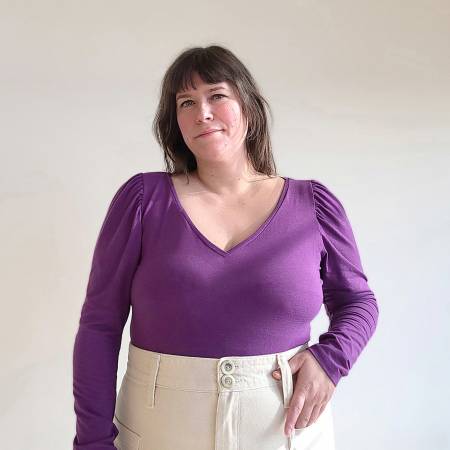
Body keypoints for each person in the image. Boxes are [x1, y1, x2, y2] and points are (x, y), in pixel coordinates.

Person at [72, 45, 379, 450]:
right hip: (158, 432)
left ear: (248, 107)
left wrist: (330, 360)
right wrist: (92, 442)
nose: (202, 113)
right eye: (186, 102)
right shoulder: (143, 201)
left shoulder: (314, 206)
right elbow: (100, 324)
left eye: (216, 95)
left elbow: (358, 302)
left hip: (287, 434)